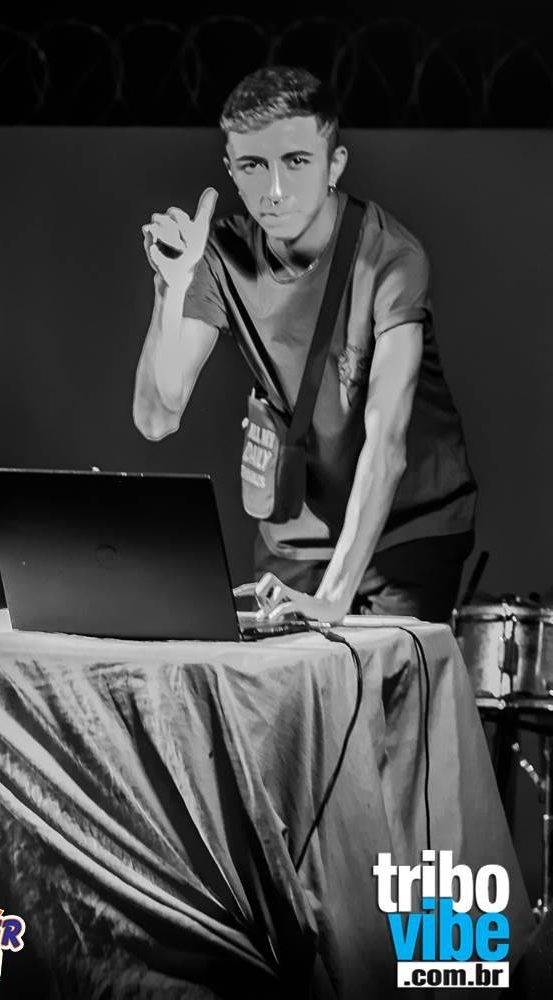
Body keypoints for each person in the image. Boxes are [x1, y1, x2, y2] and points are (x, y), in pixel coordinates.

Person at [132, 66, 478, 625]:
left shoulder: (390, 256)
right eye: (253, 165)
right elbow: (157, 417)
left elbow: (387, 444)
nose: (274, 191)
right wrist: (169, 288)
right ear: (231, 169)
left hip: (409, 525)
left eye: (295, 162)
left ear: (334, 165)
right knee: (283, 674)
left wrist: (335, 596)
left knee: (377, 669)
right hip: (298, 526)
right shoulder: (219, 256)